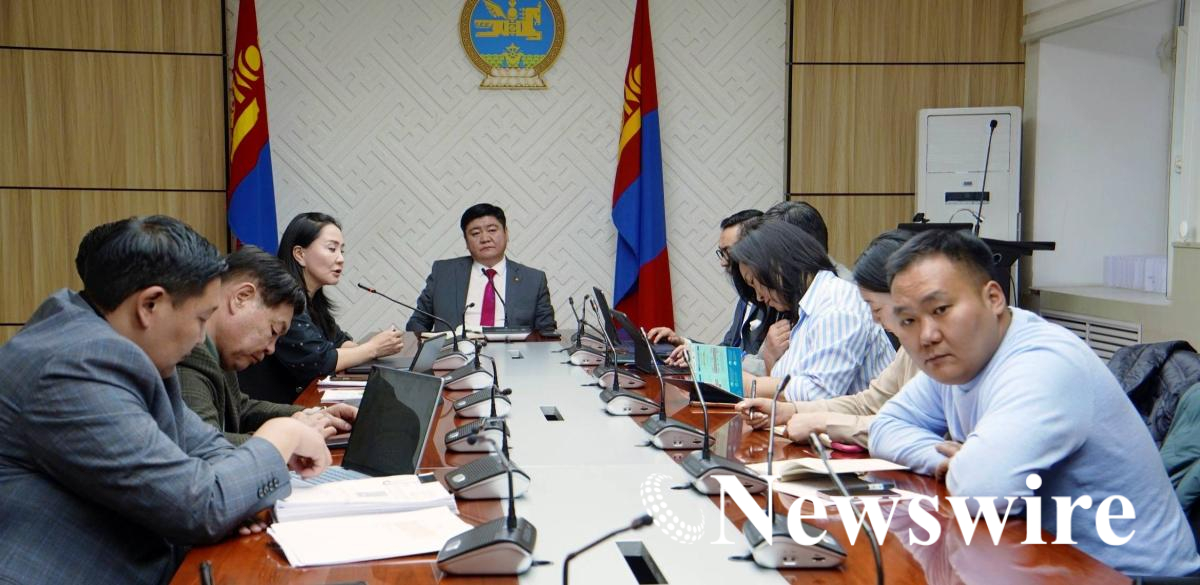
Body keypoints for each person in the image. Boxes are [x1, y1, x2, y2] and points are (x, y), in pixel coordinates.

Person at [0, 216, 330, 585]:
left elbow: (205, 447)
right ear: (150, 305)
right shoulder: (74, 366)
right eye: (201, 319)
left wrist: (239, 498)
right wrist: (282, 436)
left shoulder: (128, 351)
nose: (201, 338)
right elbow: (199, 507)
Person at [869, 229, 1200, 576]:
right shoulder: (957, 359)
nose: (926, 335)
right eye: (908, 320)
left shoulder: (1042, 363)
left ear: (993, 298)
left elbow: (984, 491)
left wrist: (972, 467)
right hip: (1047, 562)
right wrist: (949, 460)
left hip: (1129, 576)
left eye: (941, 309)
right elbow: (885, 428)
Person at [734, 230, 918, 448]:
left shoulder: (840, 306)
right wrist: (788, 411)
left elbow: (911, 428)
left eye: (875, 308)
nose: (874, 319)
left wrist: (820, 422)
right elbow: (867, 403)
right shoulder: (807, 309)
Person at [179, 246, 358, 445]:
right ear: (242, 297)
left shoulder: (218, 350)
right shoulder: (187, 355)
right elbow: (206, 448)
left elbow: (239, 408)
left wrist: (310, 416)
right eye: (273, 331)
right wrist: (287, 437)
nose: (271, 349)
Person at [239, 212, 404, 404]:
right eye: (332, 249)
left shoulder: (314, 298)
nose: (340, 258)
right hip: (274, 407)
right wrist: (372, 348)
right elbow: (319, 361)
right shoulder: (283, 301)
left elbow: (338, 340)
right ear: (300, 254)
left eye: (342, 250)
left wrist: (375, 348)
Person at [730, 220, 894, 400]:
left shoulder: (837, 304)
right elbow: (787, 387)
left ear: (776, 264)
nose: (759, 296)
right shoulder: (805, 310)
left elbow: (818, 393)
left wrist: (749, 384)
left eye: (754, 282)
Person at [405, 203, 557, 333]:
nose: (485, 239)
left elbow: (547, 331)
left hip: (512, 355)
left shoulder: (533, 280)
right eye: (475, 233)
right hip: (456, 354)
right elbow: (418, 322)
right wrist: (432, 351)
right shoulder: (444, 273)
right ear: (466, 241)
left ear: (506, 233)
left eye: (492, 230)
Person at [647, 209, 771, 356]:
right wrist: (683, 343)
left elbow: (759, 361)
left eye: (728, 252)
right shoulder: (745, 297)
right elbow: (728, 348)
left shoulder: (772, 299)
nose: (723, 262)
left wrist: (697, 358)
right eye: (721, 253)